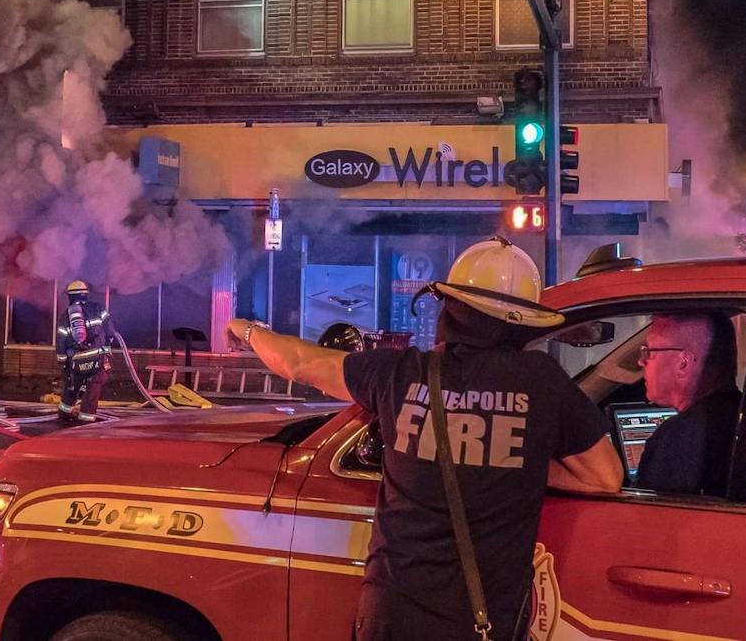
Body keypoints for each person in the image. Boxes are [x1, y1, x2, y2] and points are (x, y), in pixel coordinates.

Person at [228, 237, 622, 641]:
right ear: (520, 321)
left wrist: (247, 329)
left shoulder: (400, 373)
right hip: (482, 622)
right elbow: (604, 477)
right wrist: (518, 458)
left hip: (392, 615)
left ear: (451, 307)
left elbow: (298, 362)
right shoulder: (543, 382)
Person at [635, 312, 741, 497]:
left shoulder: (678, 436)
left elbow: (648, 517)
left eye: (649, 352)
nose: (641, 361)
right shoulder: (745, 418)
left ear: (683, 363)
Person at [57, 279, 113, 425]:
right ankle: (86, 421)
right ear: (85, 295)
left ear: (70, 297)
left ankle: (64, 413)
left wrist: (63, 363)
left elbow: (61, 342)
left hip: (77, 361)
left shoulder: (65, 317)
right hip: (97, 359)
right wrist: (105, 350)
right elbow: (110, 332)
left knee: (72, 385)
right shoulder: (98, 308)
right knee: (92, 390)